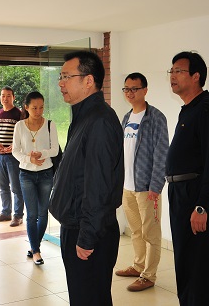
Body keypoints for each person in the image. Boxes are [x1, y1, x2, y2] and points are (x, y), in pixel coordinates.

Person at [49, 50, 124, 306]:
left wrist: (87, 236)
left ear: (88, 80)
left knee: (90, 299)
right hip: (76, 224)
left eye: (66, 77)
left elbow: (98, 186)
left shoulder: (99, 121)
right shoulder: (83, 117)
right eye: (60, 77)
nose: (61, 83)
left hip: (89, 230)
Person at [166, 51, 209, 306]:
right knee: (184, 259)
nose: (172, 76)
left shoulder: (207, 109)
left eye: (179, 71)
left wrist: (202, 205)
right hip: (180, 192)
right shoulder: (189, 109)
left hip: (194, 194)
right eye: (171, 71)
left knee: (197, 261)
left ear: (196, 76)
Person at [115, 72, 169, 292]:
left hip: (147, 188)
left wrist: (156, 186)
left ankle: (149, 275)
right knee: (136, 231)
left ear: (145, 90)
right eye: (126, 89)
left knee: (151, 234)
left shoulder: (156, 118)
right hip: (127, 186)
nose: (130, 93)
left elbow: (162, 154)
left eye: (134, 89)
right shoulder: (126, 117)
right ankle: (138, 266)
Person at [12, 91, 60, 266]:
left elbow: (55, 149)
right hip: (26, 174)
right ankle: (36, 251)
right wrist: (29, 159)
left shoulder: (50, 125)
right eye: (34, 108)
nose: (38, 111)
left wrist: (42, 154)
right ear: (26, 107)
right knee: (32, 215)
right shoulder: (19, 126)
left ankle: (34, 247)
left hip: (46, 173)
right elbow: (15, 150)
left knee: (43, 213)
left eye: (41, 107)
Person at [0, 86, 24, 227]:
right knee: (3, 185)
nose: (5, 98)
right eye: (3, 95)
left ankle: (18, 215)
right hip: (0, 156)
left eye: (8, 95)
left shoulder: (19, 114)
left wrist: (14, 146)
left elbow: (24, 135)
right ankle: (5, 212)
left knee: (16, 187)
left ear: (13, 97)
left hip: (14, 157)